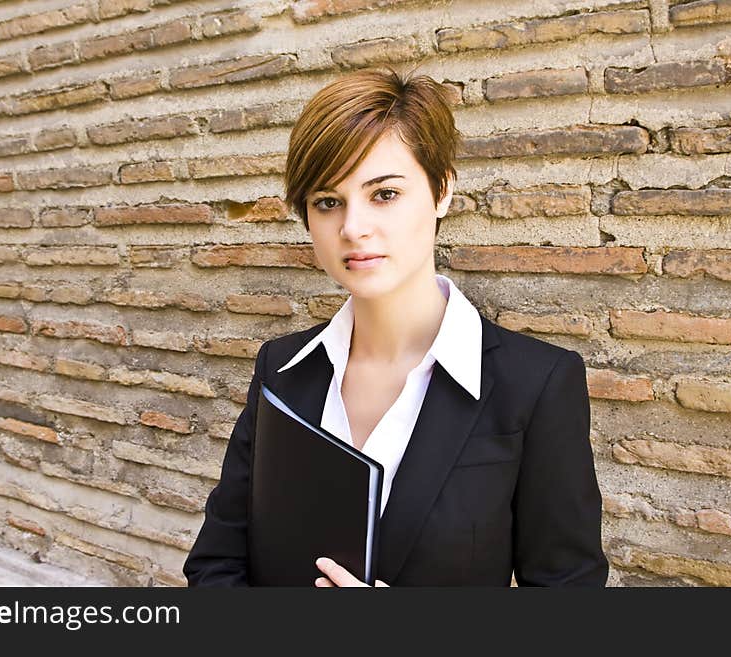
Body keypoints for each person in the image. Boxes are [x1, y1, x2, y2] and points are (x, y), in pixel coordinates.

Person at [183, 66, 608, 587]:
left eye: (384, 193)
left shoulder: (536, 385)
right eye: (327, 202)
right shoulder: (281, 369)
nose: (353, 227)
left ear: (442, 191)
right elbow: (216, 565)